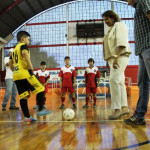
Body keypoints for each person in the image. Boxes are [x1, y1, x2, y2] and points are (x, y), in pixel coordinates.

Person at [9, 31, 52, 122]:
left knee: (23, 96)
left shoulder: (13, 51)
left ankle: (27, 117)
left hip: (16, 76)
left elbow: (10, 64)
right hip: (25, 73)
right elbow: (25, 54)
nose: (29, 41)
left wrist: (15, 71)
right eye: (28, 39)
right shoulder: (23, 46)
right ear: (22, 39)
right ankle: (40, 110)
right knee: (41, 88)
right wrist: (31, 67)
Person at [102, 10, 132, 119]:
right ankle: (124, 108)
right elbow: (109, 48)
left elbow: (122, 42)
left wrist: (116, 58)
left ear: (113, 18)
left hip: (120, 56)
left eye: (107, 19)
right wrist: (107, 61)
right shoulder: (110, 30)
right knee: (119, 82)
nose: (105, 21)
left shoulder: (119, 25)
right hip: (113, 59)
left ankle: (117, 109)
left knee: (113, 80)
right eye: (104, 20)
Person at [124, 0, 150, 125]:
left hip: (149, 47)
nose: (127, 3)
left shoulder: (143, 1)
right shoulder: (138, 6)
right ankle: (139, 115)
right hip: (142, 50)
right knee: (142, 82)